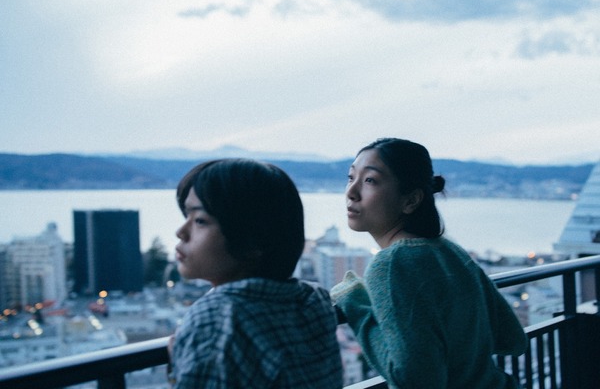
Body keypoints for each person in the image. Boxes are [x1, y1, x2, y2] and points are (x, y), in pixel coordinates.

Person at [330, 138, 527, 389]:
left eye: (370, 180)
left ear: (410, 200)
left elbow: (414, 380)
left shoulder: (391, 264)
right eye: (351, 177)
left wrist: (355, 303)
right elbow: (512, 339)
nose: (351, 192)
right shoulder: (451, 251)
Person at [168, 158, 343, 389]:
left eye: (200, 220)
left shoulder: (216, 320)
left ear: (253, 241)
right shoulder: (314, 299)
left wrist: (177, 367)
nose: (180, 232)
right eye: (186, 217)